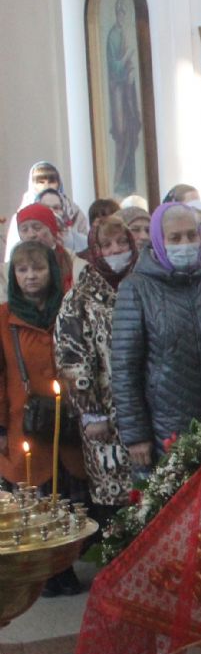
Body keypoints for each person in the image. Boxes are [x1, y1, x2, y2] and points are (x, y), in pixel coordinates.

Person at [112, 203, 201, 461]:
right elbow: (125, 369)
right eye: (175, 238)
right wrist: (136, 435)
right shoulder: (136, 288)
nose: (185, 244)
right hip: (165, 429)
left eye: (191, 235)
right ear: (159, 240)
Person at [1, 242, 87, 593]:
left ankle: (64, 566)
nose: (31, 276)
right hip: (25, 422)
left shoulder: (68, 308)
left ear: (52, 271)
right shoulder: (4, 318)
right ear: (13, 275)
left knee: (67, 495)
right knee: (34, 497)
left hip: (67, 419)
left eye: (38, 268)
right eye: (22, 270)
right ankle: (42, 573)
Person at [55, 215, 137, 522]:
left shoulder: (144, 285)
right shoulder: (80, 296)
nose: (116, 250)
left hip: (148, 409)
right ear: (95, 249)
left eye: (122, 242)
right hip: (105, 415)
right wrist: (90, 412)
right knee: (115, 504)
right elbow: (71, 358)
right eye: (107, 244)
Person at [105, 0, 144, 196]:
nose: (122, 16)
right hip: (118, 92)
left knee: (131, 131)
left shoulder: (126, 33)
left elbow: (130, 66)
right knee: (121, 133)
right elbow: (114, 65)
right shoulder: (113, 35)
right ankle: (120, 180)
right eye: (119, 12)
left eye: (124, 12)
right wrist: (126, 58)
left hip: (128, 92)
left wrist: (131, 71)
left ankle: (129, 180)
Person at [6, 162, 87, 255]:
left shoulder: (74, 212)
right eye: (41, 182)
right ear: (32, 184)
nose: (46, 186)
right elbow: (13, 251)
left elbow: (87, 242)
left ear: (59, 183)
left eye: (51, 182)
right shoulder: (21, 215)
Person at [12, 204, 79, 289]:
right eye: (24, 230)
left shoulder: (74, 262)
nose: (31, 235)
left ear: (52, 230)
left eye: (37, 228)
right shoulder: (9, 269)